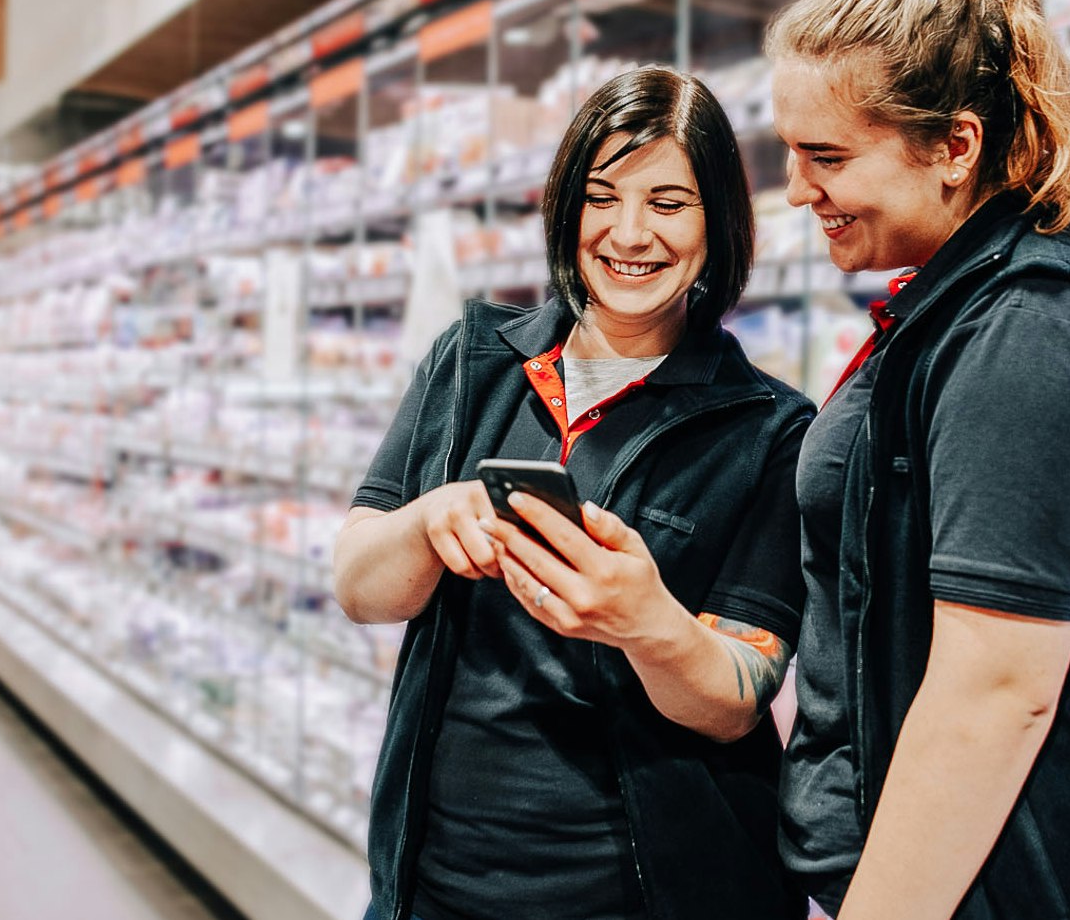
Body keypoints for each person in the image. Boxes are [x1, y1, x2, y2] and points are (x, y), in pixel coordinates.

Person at [766, 0, 1070, 920]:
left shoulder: (1036, 328)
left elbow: (995, 692)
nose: (798, 188)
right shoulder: (961, 299)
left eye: (825, 154)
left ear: (953, 147)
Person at [333, 66, 813, 920]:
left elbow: (738, 699)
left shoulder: (767, 430)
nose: (630, 232)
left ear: (717, 224)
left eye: (669, 202)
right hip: (433, 882)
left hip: (638, 895)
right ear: (566, 208)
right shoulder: (473, 360)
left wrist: (647, 624)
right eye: (602, 196)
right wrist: (428, 520)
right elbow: (360, 588)